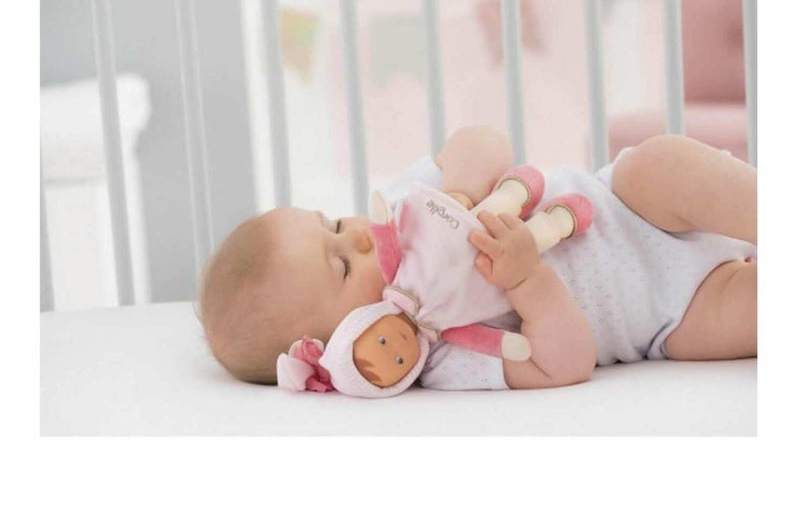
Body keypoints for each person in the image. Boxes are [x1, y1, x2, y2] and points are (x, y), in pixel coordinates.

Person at [198, 127, 757, 391]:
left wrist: (460, 192)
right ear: (345, 346)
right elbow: (565, 364)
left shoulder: (408, 207)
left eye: (335, 226)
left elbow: (485, 140)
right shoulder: (439, 357)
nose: (361, 238)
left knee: (661, 163)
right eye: (341, 266)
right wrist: (527, 281)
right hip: (673, 316)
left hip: (626, 205)